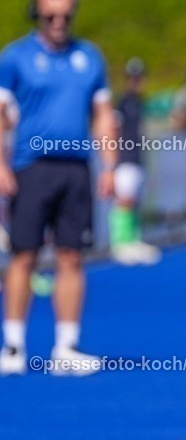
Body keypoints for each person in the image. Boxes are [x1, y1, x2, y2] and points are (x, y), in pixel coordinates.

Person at [0, 0, 116, 376]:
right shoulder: (16, 57)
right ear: (37, 15)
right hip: (31, 167)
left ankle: (66, 345)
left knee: (71, 255)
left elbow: (102, 114)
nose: (58, 23)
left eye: (65, 16)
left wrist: (109, 165)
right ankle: (13, 345)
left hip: (75, 168)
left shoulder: (88, 57)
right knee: (24, 255)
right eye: (51, 16)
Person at [110, 57, 160, 266]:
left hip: (136, 157)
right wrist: (114, 158)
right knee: (125, 200)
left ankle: (132, 238)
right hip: (125, 158)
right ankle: (120, 243)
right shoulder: (123, 102)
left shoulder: (140, 102)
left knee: (134, 201)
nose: (137, 82)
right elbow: (113, 130)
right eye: (134, 78)